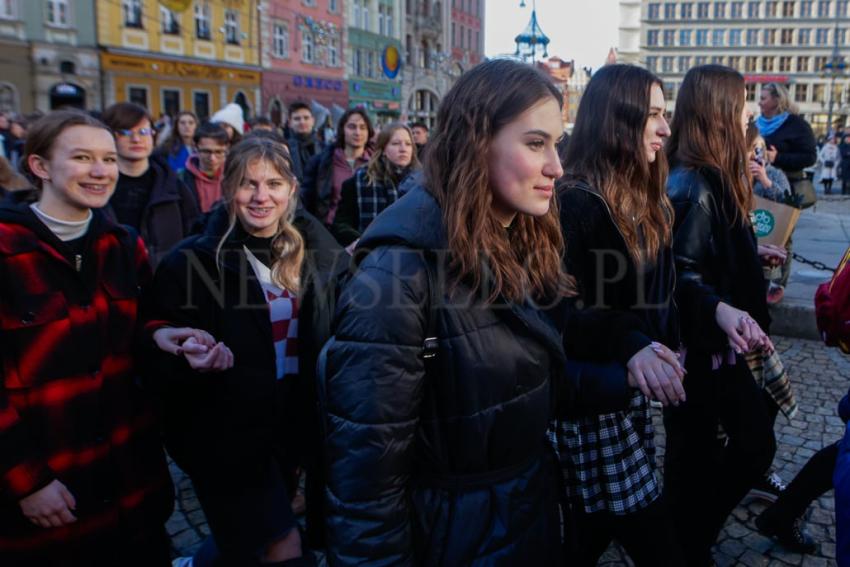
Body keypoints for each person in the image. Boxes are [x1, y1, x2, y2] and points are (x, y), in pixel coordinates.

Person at [322, 58, 638, 566]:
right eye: (536, 144)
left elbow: (517, 388)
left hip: (520, 515)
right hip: (452, 536)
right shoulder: (398, 273)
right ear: (475, 142)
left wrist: (626, 374)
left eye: (557, 144)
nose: (557, 166)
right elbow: (364, 481)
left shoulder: (521, 236)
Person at [144, 136, 346, 566]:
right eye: (248, 183)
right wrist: (186, 351)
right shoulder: (192, 261)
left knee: (251, 540)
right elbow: (155, 341)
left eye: (273, 184)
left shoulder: (316, 255)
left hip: (288, 430)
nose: (260, 196)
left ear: (292, 189)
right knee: (282, 547)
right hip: (224, 436)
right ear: (227, 188)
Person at [0, 109, 174, 565]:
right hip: (48, 491)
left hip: (129, 484)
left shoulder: (122, 244)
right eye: (81, 158)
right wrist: (27, 481)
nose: (100, 172)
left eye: (109, 159)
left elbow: (142, 326)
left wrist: (167, 336)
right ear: (40, 167)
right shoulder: (6, 249)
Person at [552, 64, 685, 566]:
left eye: (664, 113)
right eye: (652, 114)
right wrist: (630, 344)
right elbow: (559, 314)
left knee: (589, 531)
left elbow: (659, 291)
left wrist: (711, 314)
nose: (666, 128)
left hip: (624, 394)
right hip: (590, 409)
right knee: (654, 542)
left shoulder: (646, 197)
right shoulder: (574, 201)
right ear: (616, 120)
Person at [664, 65, 778, 566]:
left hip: (722, 347)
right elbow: (680, 275)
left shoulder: (710, 175)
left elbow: (711, 255)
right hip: (705, 352)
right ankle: (688, 542)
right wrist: (723, 306)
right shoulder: (694, 183)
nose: (747, 112)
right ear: (717, 112)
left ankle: (690, 537)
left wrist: (753, 253)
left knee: (723, 448)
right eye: (739, 103)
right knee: (723, 449)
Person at [101, 102, 200, 266]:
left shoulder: (173, 185)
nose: (136, 139)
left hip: (164, 279)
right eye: (125, 132)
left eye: (143, 131)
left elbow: (194, 234)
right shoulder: (97, 185)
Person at [331, 122, 419, 251]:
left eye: (408, 144)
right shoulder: (360, 180)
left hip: (412, 256)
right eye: (395, 144)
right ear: (383, 149)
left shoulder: (422, 183)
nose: (403, 149)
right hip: (368, 254)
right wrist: (361, 241)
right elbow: (341, 224)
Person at [300, 108, 373, 226]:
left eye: (363, 127)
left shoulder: (377, 164)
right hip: (330, 230)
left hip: (367, 230)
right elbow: (307, 199)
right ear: (342, 130)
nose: (357, 132)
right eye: (352, 127)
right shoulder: (322, 162)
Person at [747, 126, 792, 305]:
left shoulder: (775, 173)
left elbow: (787, 202)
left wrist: (765, 181)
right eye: (751, 148)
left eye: (759, 148)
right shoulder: (740, 173)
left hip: (767, 231)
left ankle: (776, 286)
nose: (755, 154)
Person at [179, 121, 229, 213]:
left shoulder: (234, 176)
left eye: (219, 152)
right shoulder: (180, 179)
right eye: (206, 152)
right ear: (195, 147)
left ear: (227, 148)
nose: (212, 158)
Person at [286, 102, 320, 182]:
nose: (302, 122)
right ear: (289, 123)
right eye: (297, 119)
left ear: (313, 121)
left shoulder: (324, 148)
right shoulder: (283, 149)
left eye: (306, 118)